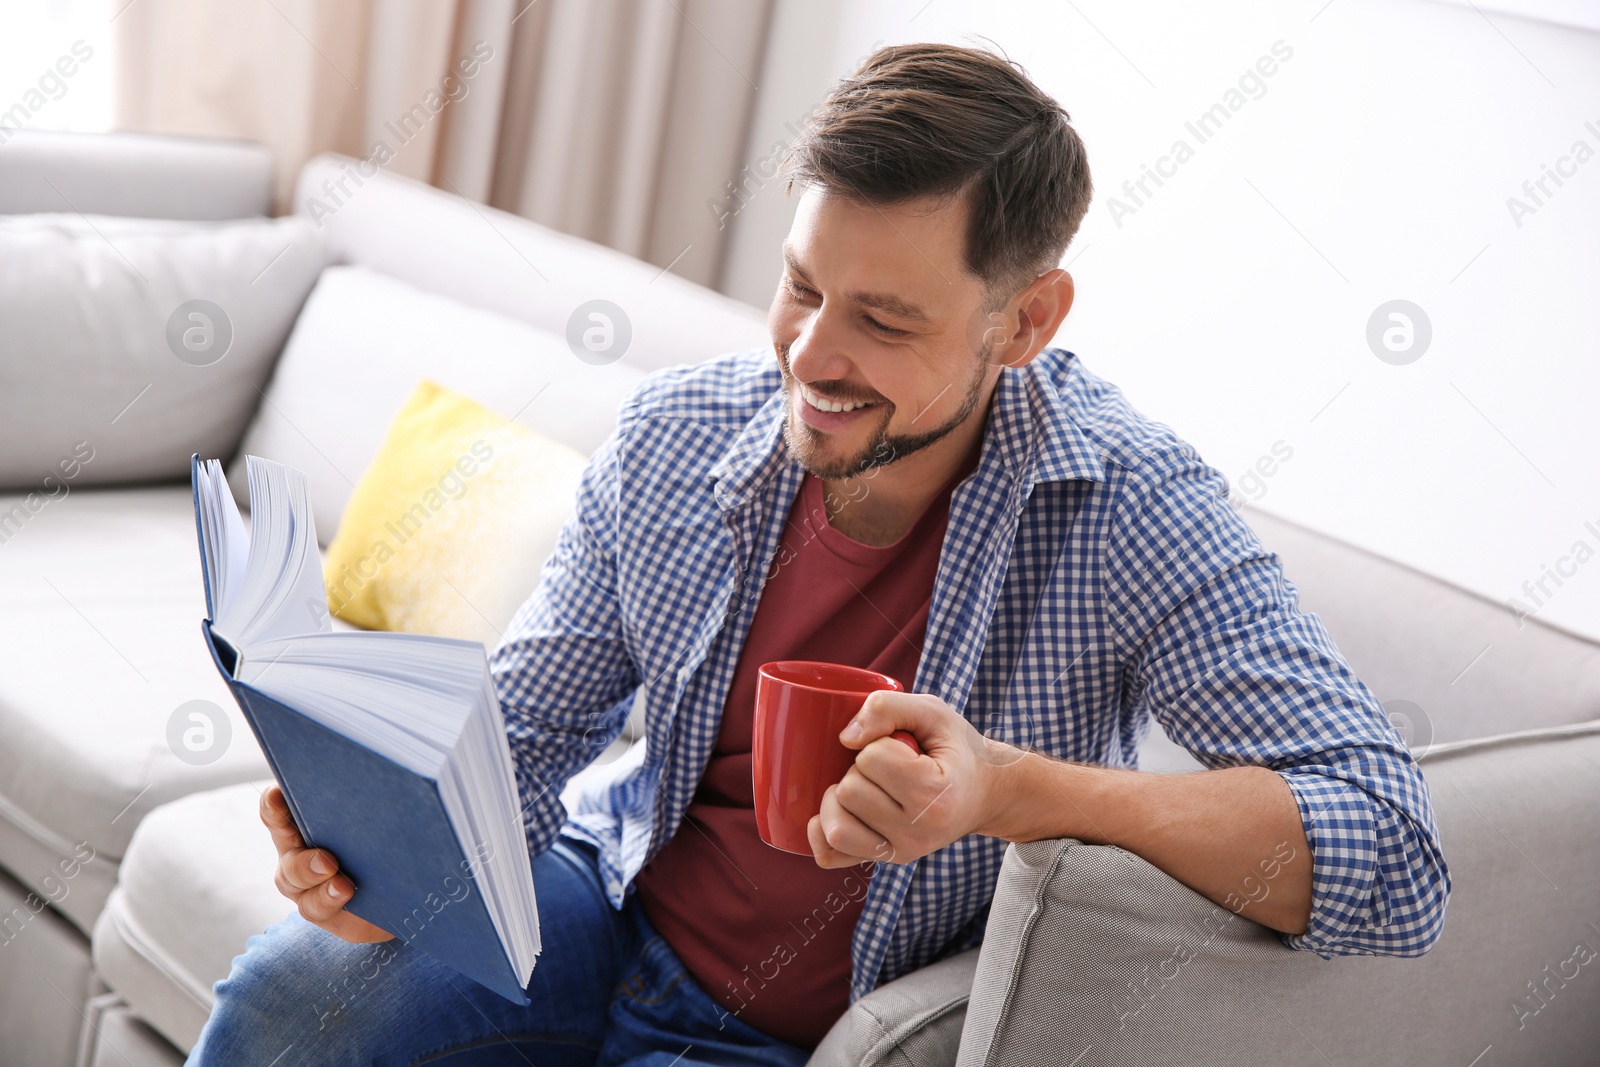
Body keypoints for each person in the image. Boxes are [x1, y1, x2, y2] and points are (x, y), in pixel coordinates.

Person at [188, 41, 1449, 1066]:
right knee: (291, 998)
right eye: (801, 287)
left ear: (1026, 320)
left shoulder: (1130, 506)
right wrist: (385, 855)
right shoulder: (680, 436)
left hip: (814, 1026)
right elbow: (521, 737)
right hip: (601, 901)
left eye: (885, 319)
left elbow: (1391, 851)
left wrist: (1010, 791)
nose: (807, 358)